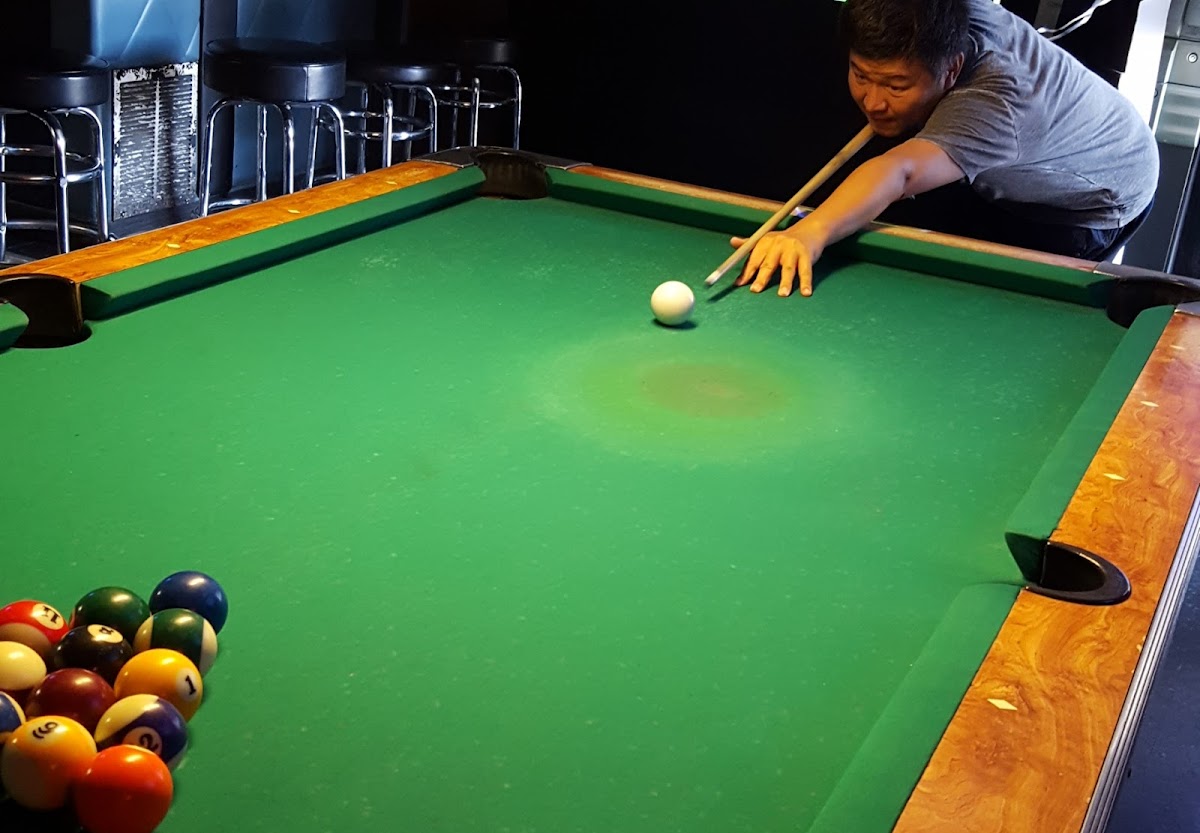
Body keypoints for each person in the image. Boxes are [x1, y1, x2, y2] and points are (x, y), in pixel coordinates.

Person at [734, 0, 1159, 297]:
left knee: (993, 301)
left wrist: (809, 232)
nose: (873, 102)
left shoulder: (995, 106)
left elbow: (899, 171)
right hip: (1061, 129)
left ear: (952, 69)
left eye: (896, 85)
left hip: (1096, 193)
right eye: (861, 75)